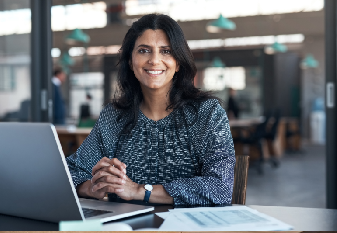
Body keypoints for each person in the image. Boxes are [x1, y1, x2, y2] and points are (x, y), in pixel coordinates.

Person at [66, 14, 235, 206]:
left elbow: (220, 188)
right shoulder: (114, 116)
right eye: (144, 50)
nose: (154, 60)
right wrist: (92, 187)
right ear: (130, 61)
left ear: (178, 62)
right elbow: (69, 172)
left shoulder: (207, 114)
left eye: (166, 51)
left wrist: (139, 190)